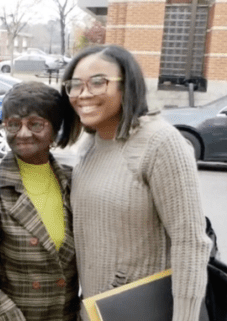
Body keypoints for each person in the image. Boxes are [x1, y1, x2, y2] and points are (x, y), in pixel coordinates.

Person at [60, 44, 211, 321]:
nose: (83, 94)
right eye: (74, 85)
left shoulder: (160, 142)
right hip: (97, 310)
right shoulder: (90, 145)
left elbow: (190, 241)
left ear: (127, 85)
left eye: (98, 82)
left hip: (145, 310)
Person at [0, 81, 81, 321]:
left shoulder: (74, 182)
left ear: (55, 128)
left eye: (36, 124)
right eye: (13, 124)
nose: (23, 133)